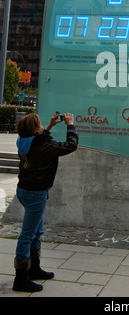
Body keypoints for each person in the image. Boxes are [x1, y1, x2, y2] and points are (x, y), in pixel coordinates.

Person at [13, 112, 78, 293]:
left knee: (36, 231)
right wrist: (70, 125)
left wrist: (49, 126)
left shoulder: (22, 140)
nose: (42, 126)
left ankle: (34, 268)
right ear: (35, 129)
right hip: (36, 194)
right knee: (27, 235)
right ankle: (21, 279)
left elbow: (39, 142)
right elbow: (70, 145)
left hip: (24, 190)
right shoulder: (41, 144)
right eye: (40, 124)